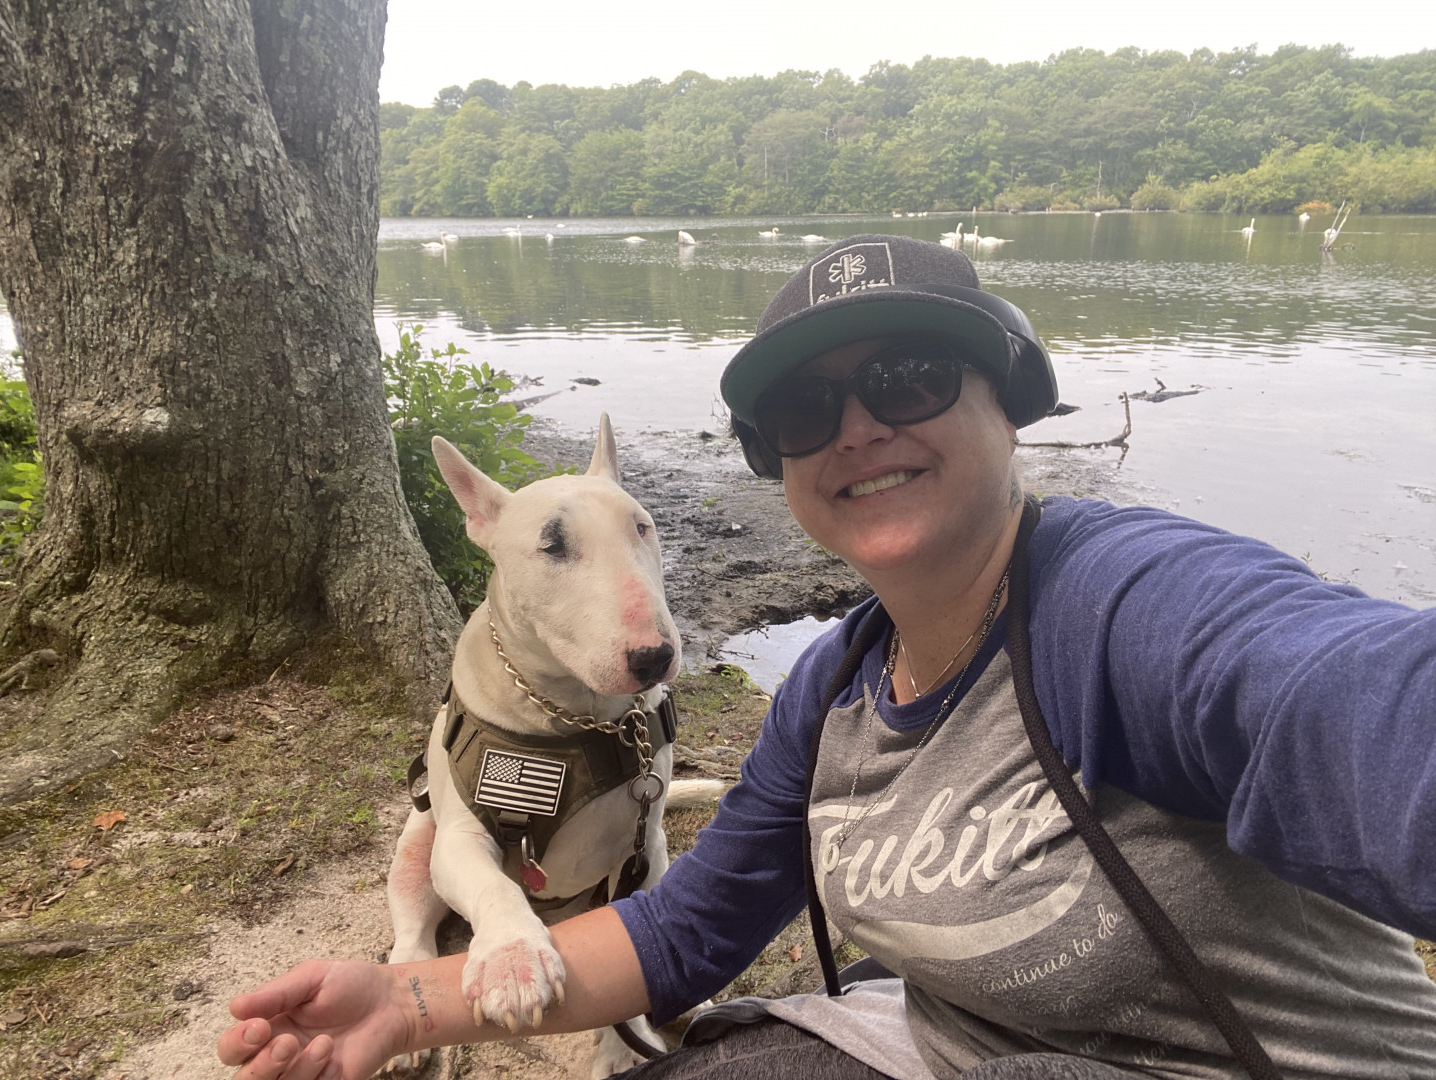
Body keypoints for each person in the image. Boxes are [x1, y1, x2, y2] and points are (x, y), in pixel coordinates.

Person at [219, 235, 1436, 1080]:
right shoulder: (835, 687)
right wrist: (407, 999)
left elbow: (1357, 706)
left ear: (1011, 404)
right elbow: (688, 929)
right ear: (782, 464)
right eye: (807, 410)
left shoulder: (1127, 605)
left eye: (908, 379)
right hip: (942, 1044)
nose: (856, 429)